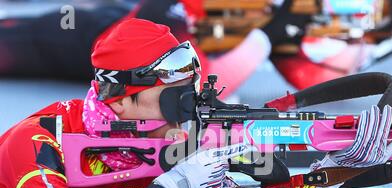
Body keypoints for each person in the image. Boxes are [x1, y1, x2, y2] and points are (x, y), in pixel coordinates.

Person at [0, 18, 392, 188]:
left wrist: (331, 174)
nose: (186, 113)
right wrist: (174, 187)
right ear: (120, 100)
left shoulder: (183, 144)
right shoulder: (38, 143)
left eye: (189, 95)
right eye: (172, 99)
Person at [0, 0, 309, 99]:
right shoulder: (173, 12)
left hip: (113, 23)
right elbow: (198, 83)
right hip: (90, 35)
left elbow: (308, 74)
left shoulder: (267, 17)